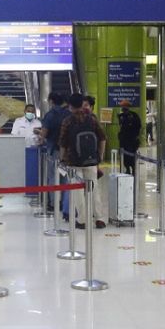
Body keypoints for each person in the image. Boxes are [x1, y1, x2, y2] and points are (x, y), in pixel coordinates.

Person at [59, 93, 107, 229]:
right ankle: (99, 219)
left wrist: (62, 159)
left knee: (77, 191)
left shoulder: (67, 121)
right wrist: (100, 156)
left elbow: (62, 143)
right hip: (91, 160)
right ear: (82, 104)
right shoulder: (92, 119)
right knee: (94, 188)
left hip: (73, 161)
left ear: (70, 106)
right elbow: (103, 138)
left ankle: (82, 220)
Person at [116, 100, 142, 174]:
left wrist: (136, 136)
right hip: (123, 140)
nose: (123, 108)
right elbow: (121, 127)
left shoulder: (134, 115)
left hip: (132, 140)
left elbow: (138, 126)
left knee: (132, 156)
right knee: (124, 156)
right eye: (122, 106)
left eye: (124, 106)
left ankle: (133, 169)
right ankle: (127, 168)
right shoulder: (121, 116)